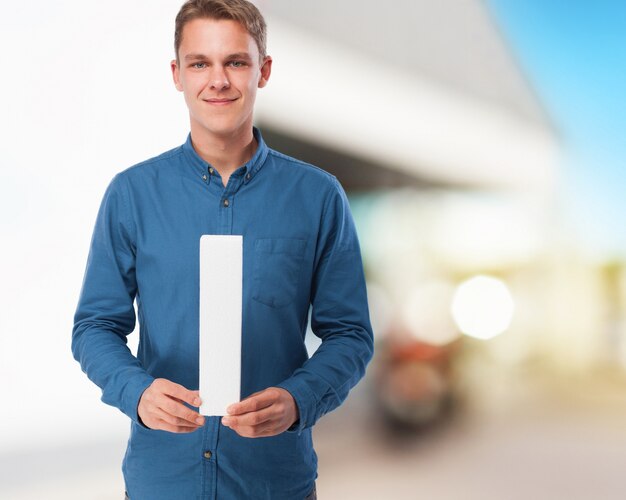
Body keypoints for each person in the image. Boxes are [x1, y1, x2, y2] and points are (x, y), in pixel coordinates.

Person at [71, 0, 373, 498]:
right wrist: (138, 392)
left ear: (264, 70)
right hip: (163, 481)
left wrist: (300, 399)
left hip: (274, 481)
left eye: (235, 61)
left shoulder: (318, 197)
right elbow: (94, 326)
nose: (218, 80)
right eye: (199, 63)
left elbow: (350, 333)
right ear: (177, 74)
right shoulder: (132, 194)